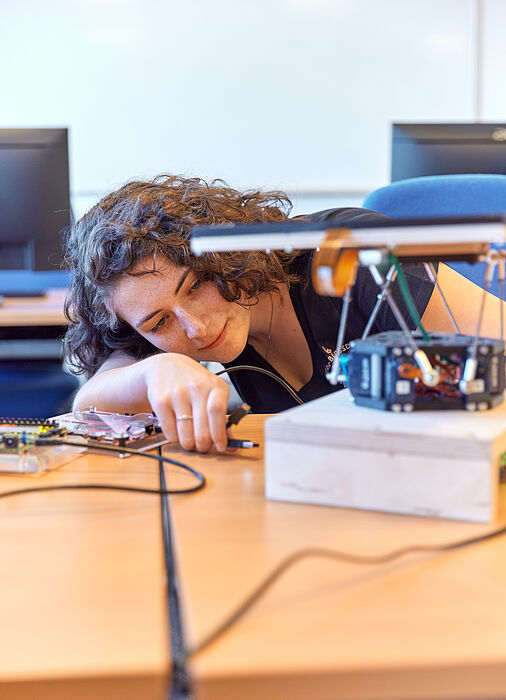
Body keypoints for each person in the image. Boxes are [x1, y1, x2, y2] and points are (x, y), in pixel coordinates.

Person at [64, 175, 504, 453]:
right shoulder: (164, 329)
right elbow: (89, 403)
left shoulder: (348, 256)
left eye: (197, 286)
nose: (194, 328)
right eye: (159, 323)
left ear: (221, 256)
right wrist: (153, 371)